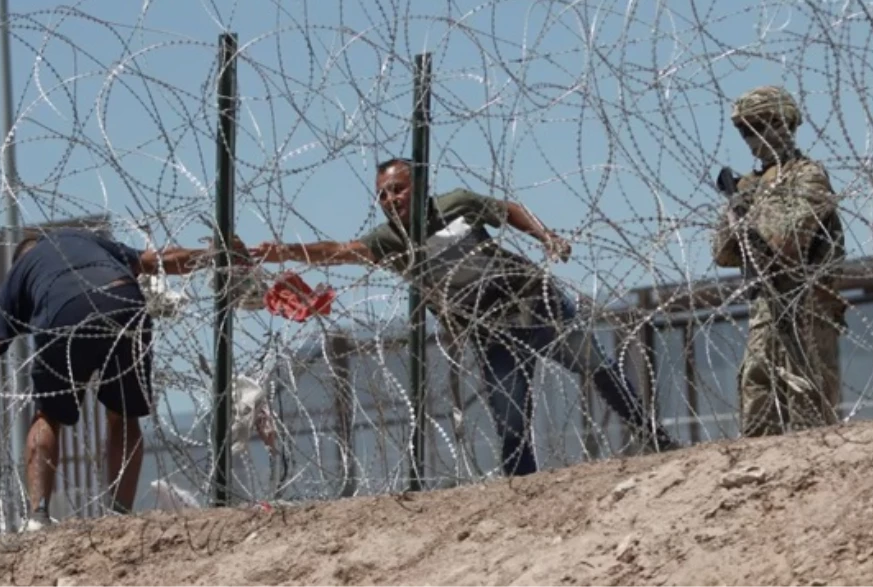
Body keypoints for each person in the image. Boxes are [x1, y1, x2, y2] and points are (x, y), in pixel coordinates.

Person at [251, 158, 679, 477]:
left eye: (398, 189)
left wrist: (545, 236)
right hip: (488, 329)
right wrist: (289, 252)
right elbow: (340, 252)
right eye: (383, 194)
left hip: (532, 301)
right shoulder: (390, 242)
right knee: (509, 416)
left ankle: (657, 439)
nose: (390, 199)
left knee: (596, 368)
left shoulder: (456, 204)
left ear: (419, 187)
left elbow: (507, 209)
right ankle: (527, 495)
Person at [0, 227, 233, 531]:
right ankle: (119, 516)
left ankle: (38, 517)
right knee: (124, 417)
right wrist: (213, 255)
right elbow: (158, 260)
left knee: (48, 417)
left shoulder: (21, 270)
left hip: (64, 314)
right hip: (124, 301)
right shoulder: (82, 239)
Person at [712, 86, 847, 437]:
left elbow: (788, 242)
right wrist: (737, 209)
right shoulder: (750, 185)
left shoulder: (807, 176)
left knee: (808, 410)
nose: (754, 136)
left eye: (764, 124)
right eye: (746, 129)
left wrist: (746, 214)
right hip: (765, 309)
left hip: (807, 307)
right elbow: (724, 253)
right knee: (758, 408)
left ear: (786, 123)